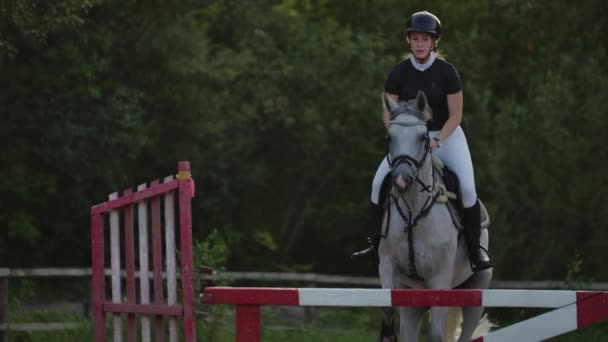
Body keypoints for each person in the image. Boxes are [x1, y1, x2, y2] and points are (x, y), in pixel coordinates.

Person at [351, 10, 492, 272]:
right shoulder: (398, 73)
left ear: (434, 42)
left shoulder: (447, 72)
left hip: (446, 135)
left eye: (424, 39)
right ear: (409, 41)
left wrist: (438, 140)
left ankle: (475, 250)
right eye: (414, 39)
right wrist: (398, 137)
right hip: (407, 140)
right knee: (376, 183)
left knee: (468, 188)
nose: (419, 44)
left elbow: (456, 115)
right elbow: (388, 114)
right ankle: (374, 246)